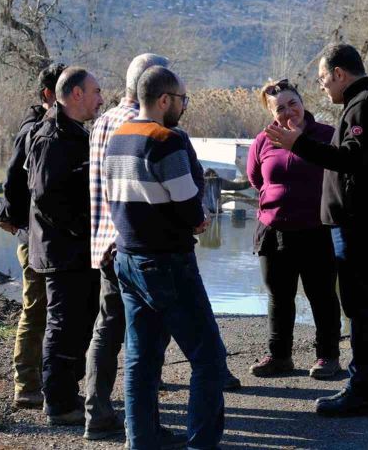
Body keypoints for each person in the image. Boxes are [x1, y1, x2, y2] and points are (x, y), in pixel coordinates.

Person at [265, 43, 368, 417]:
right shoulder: (364, 102)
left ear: (340, 74)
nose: (323, 87)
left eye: (324, 78)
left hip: (361, 226)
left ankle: (362, 391)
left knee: (361, 309)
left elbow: (352, 160)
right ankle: (363, 388)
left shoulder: (364, 105)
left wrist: (300, 145)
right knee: (361, 307)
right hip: (360, 225)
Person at [106, 66, 227, 450]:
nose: (183, 107)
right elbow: (187, 201)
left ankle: (140, 440)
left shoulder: (117, 138)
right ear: (163, 100)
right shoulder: (165, 140)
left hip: (127, 259)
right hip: (167, 262)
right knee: (208, 358)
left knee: (141, 359)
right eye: (181, 100)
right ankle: (202, 444)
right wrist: (198, 219)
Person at [84, 53, 169, 441]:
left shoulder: (101, 122)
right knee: (144, 337)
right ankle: (145, 425)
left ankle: (96, 410)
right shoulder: (144, 125)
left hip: (103, 241)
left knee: (107, 329)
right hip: (135, 245)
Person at [246, 78, 342, 379]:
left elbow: (340, 175)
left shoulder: (326, 135)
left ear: (303, 103)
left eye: (293, 104)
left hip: (317, 230)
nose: (289, 112)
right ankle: (279, 357)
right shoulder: (263, 141)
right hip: (274, 231)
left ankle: (328, 356)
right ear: (272, 113)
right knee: (279, 297)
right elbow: (256, 180)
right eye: (280, 108)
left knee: (322, 295)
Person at [26, 66, 104, 425]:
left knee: (81, 321)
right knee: (63, 324)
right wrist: (79, 232)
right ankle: (57, 403)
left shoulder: (75, 133)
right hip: (63, 251)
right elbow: (45, 197)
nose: (100, 99)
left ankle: (67, 392)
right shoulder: (53, 137)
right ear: (75, 95)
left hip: (78, 249)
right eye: (95, 92)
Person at [0, 62, 65, 408]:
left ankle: (41, 379)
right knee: (35, 307)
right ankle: (25, 384)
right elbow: (12, 177)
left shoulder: (56, 125)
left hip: (44, 235)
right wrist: (12, 217)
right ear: (48, 94)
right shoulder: (34, 130)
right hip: (33, 235)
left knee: (47, 308)